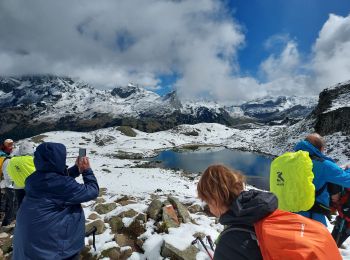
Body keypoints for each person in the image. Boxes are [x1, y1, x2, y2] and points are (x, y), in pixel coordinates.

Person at [13, 142, 99, 260]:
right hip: (52, 251)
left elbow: (53, 179)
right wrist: (86, 170)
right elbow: (92, 191)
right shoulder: (62, 185)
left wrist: (75, 170)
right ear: (58, 160)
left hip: (29, 245)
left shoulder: (33, 178)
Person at [197, 164, 277, 260]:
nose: (208, 206)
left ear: (214, 200)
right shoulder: (263, 210)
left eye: (207, 201)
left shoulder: (228, 243)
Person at [294, 133, 350, 226]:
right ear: (319, 148)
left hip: (286, 213)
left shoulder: (288, 161)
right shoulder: (323, 164)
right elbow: (347, 180)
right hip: (311, 217)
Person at [7, 141, 35, 208]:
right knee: (32, 207)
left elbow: (9, 172)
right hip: (31, 187)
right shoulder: (33, 159)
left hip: (17, 187)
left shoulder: (12, 160)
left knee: (21, 206)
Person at [0, 139, 16, 226]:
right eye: (9, 145)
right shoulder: (4, 157)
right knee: (11, 203)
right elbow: (6, 172)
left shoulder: (4, 155)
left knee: (7, 202)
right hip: (6, 183)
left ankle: (5, 221)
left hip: (4, 183)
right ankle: (7, 223)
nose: (11, 146)